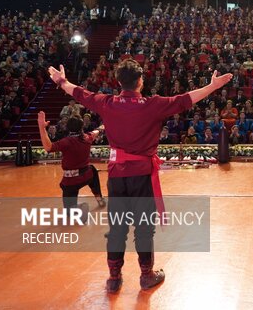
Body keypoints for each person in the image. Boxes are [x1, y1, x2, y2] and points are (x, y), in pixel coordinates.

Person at [48, 59, 232, 293]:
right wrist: (212, 86)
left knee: (117, 228)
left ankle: (114, 279)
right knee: (144, 227)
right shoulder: (152, 105)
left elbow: (80, 93)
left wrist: (61, 81)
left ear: (118, 82)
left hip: (116, 176)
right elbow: (185, 99)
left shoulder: (107, 103)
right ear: (140, 82)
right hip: (142, 176)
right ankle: (146, 275)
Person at [37, 111, 105, 214]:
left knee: (69, 212)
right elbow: (98, 130)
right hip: (87, 175)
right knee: (93, 171)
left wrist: (42, 127)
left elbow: (48, 147)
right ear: (81, 127)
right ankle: (100, 199)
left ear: (67, 127)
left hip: (71, 181)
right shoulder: (87, 137)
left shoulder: (66, 142)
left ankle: (78, 209)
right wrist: (107, 123)